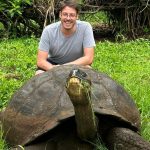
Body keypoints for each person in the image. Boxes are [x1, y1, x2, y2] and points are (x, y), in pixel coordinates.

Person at [36, 0, 96, 75]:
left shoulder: (86, 27)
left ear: (77, 16)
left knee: (90, 72)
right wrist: (55, 69)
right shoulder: (48, 30)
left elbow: (89, 58)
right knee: (39, 74)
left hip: (77, 62)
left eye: (72, 15)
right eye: (65, 14)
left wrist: (64, 67)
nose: (68, 18)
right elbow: (40, 61)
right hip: (53, 63)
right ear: (60, 15)